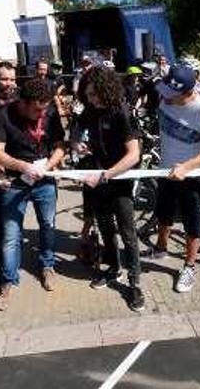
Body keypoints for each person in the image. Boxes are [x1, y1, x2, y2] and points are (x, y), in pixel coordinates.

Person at [72, 67, 145, 311]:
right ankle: (114, 268)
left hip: (118, 178)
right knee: (104, 226)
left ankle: (135, 283)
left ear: (105, 89)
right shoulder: (91, 110)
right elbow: (77, 125)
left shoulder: (122, 112)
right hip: (98, 177)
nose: (90, 99)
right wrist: (76, 142)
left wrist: (106, 175)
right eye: (88, 95)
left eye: (93, 94)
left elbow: (134, 155)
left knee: (127, 232)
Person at [0, 78, 66, 310]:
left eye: (44, 109)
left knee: (48, 225)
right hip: (15, 182)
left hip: (44, 179)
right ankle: (8, 280)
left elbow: (60, 145)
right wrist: (24, 167)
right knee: (11, 234)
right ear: (22, 102)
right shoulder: (1, 115)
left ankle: (47, 266)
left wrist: (48, 166)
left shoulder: (49, 112)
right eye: (36, 109)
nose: (41, 114)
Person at [146, 64, 200, 293]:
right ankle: (161, 248)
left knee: (191, 221)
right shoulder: (165, 94)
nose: (166, 98)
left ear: (188, 92)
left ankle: (189, 266)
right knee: (163, 213)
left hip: (190, 175)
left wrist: (186, 166)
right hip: (165, 170)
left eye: (172, 95)